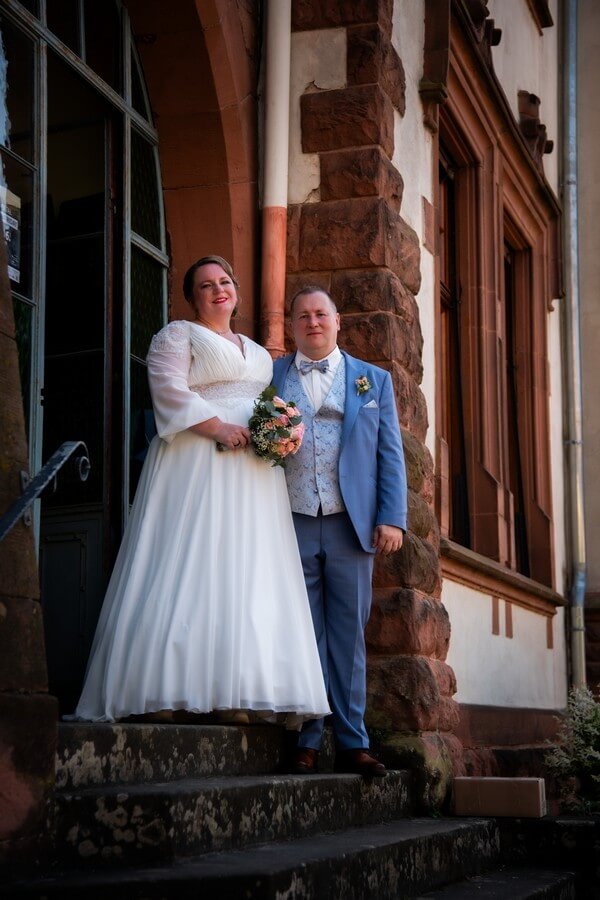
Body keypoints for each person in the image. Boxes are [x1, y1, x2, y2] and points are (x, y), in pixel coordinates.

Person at [71, 257, 330, 726]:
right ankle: (159, 690)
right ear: (192, 296)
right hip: (196, 461)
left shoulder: (255, 350)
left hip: (253, 474)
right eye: (206, 285)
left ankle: (238, 691)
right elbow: (167, 390)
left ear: (236, 291)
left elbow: (267, 402)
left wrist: (285, 429)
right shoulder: (177, 336)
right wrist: (216, 428)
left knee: (243, 570)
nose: (219, 290)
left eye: (226, 281)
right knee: (186, 560)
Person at [272, 286, 407, 777]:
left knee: (348, 637)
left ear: (337, 321)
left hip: (353, 525)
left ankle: (353, 742)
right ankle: (307, 739)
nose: (313, 322)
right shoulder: (271, 376)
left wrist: (391, 516)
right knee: (303, 634)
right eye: (303, 315)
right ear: (292, 324)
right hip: (290, 520)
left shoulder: (373, 381)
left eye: (321, 314)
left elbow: (389, 454)